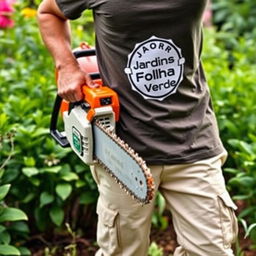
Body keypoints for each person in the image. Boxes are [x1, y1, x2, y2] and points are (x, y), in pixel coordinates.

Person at [37, 0, 238, 255]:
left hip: (193, 139)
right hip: (121, 147)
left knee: (213, 250)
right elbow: (48, 12)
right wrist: (66, 66)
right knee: (123, 251)